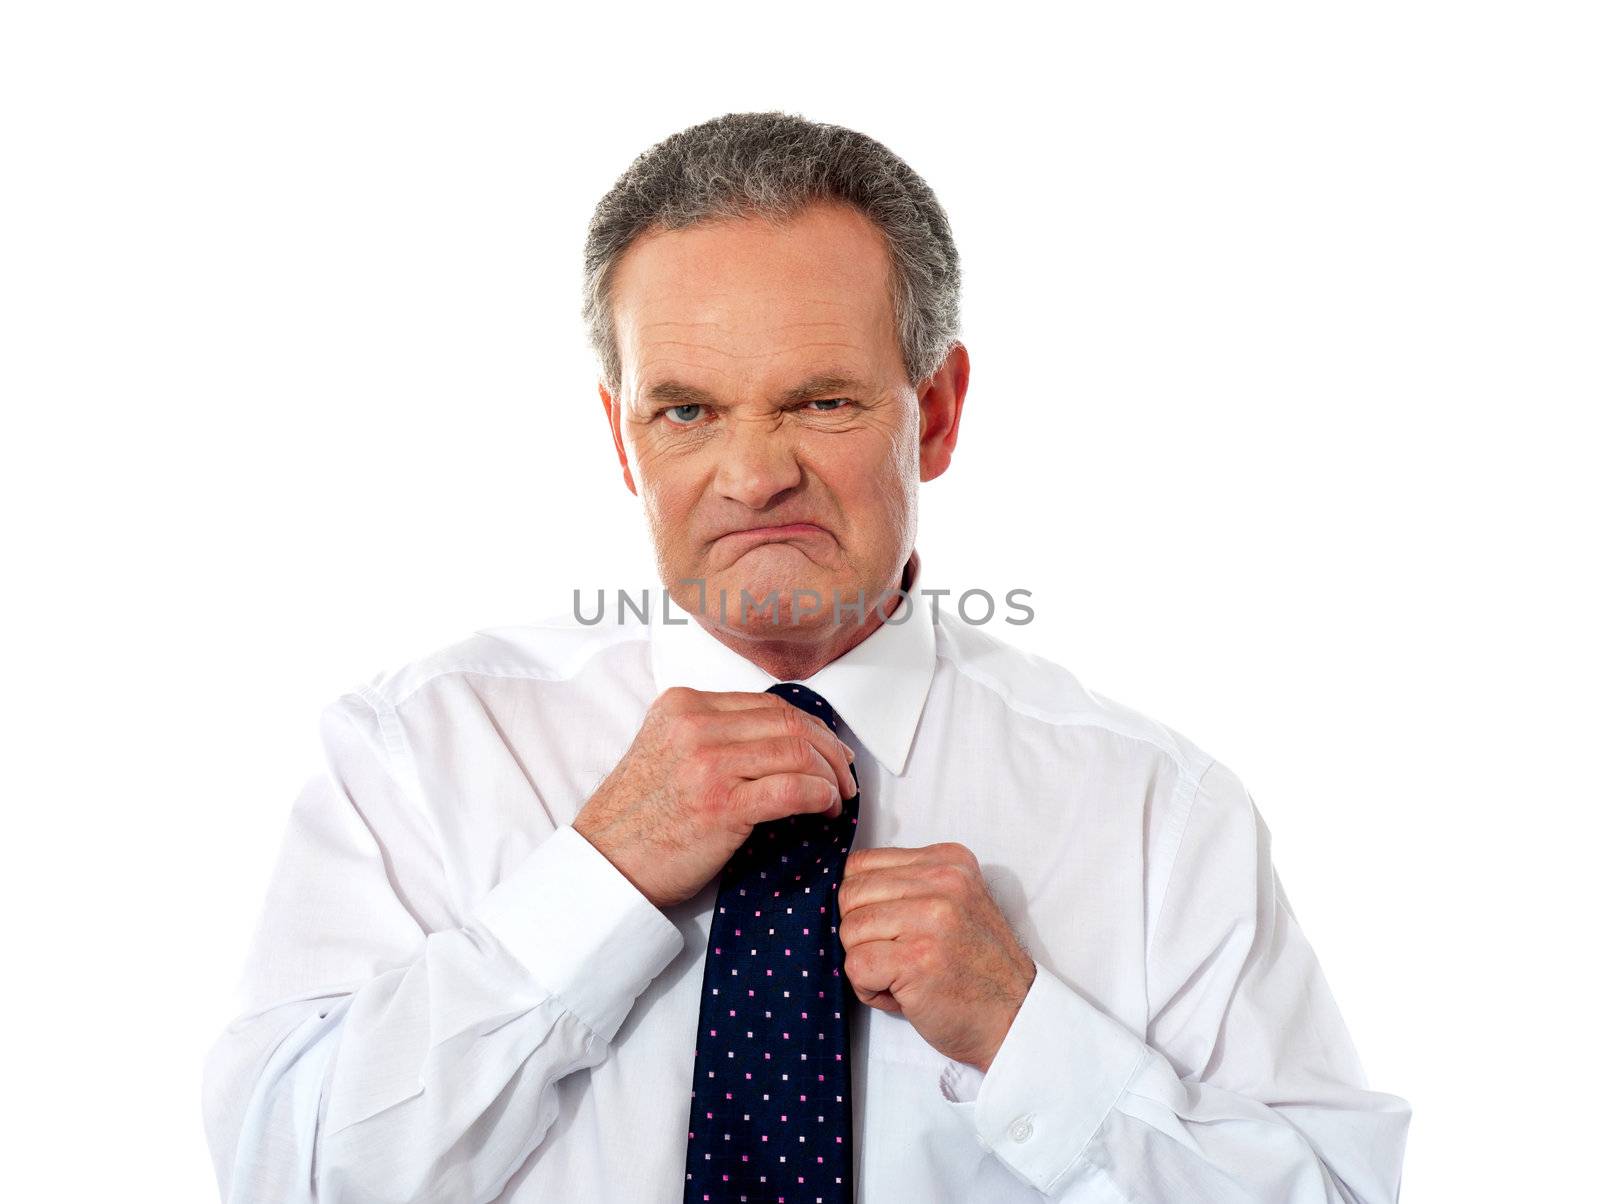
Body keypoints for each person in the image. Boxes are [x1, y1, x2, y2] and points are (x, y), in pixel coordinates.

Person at [201, 110, 1410, 1203]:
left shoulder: (1153, 813)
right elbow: (285, 1174)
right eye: (685, 411)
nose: (752, 473)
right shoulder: (420, 753)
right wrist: (589, 886)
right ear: (622, 441)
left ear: (933, 412)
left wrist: (1027, 1032)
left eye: (820, 402)